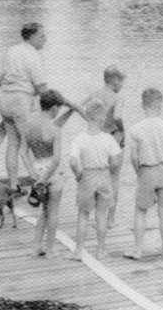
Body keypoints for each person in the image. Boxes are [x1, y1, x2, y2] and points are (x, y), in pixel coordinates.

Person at [124, 88, 163, 261]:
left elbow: (134, 157)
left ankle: (138, 250)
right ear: (160, 105)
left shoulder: (135, 129)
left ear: (143, 105)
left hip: (146, 171)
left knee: (141, 211)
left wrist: (139, 173)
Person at [0, 22, 48, 195]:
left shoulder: (11, 51)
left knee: (13, 144)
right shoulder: (33, 55)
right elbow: (40, 86)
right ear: (31, 37)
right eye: (41, 36)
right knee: (29, 143)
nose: (44, 40)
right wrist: (51, 103)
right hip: (21, 100)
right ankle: (37, 183)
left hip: (5, 99)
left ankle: (14, 184)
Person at [22, 90, 78, 258]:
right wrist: (45, 180)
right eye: (58, 108)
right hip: (52, 174)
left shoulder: (29, 125)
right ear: (53, 108)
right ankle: (51, 249)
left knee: (43, 212)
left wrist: (34, 176)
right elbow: (55, 160)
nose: (59, 112)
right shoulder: (54, 129)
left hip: (38, 168)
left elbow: (23, 153)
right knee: (53, 212)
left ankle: (36, 247)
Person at [68, 98, 123, 260]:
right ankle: (100, 250)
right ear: (102, 118)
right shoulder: (108, 138)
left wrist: (78, 174)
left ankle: (78, 251)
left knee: (83, 214)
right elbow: (116, 161)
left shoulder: (79, 139)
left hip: (87, 175)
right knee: (101, 215)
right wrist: (109, 170)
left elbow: (72, 161)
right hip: (103, 175)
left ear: (87, 116)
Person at [83, 65, 126, 228]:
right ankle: (110, 220)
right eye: (122, 81)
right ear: (115, 80)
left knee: (97, 176)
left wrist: (91, 123)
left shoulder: (95, 94)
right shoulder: (118, 97)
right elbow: (117, 116)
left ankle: (96, 217)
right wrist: (121, 130)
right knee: (114, 179)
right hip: (114, 137)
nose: (122, 85)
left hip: (96, 137)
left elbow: (79, 107)